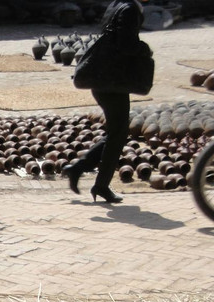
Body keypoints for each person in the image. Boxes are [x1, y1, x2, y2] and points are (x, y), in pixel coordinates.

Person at [63, 0, 146, 204]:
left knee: (116, 132)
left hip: (104, 78)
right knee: (118, 133)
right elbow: (127, 45)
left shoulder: (117, 5)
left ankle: (79, 169)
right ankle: (100, 185)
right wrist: (144, 50)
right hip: (111, 81)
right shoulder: (129, 9)